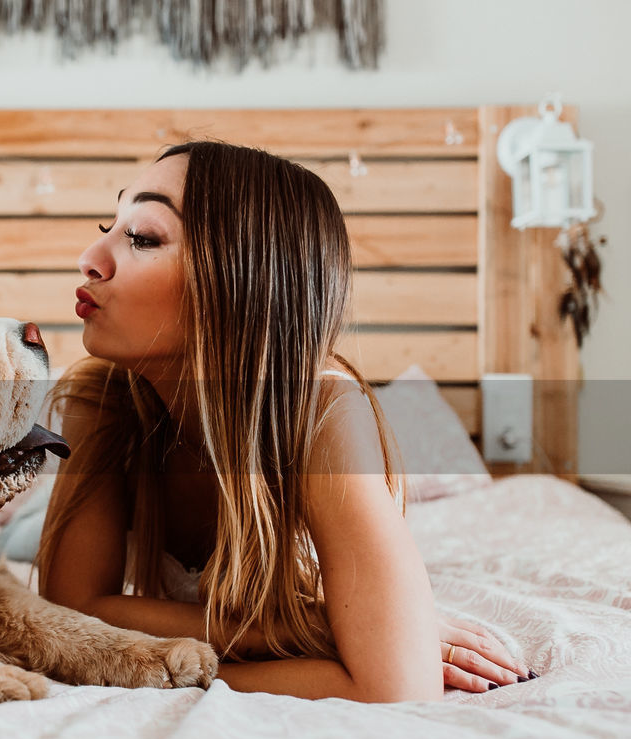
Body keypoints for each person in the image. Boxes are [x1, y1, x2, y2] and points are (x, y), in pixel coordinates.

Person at [35, 141, 535, 701]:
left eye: (143, 236)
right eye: (110, 223)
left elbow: (398, 686)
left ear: (238, 282)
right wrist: (295, 631)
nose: (89, 257)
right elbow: (70, 615)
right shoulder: (98, 398)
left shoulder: (324, 412)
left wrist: (180, 661)